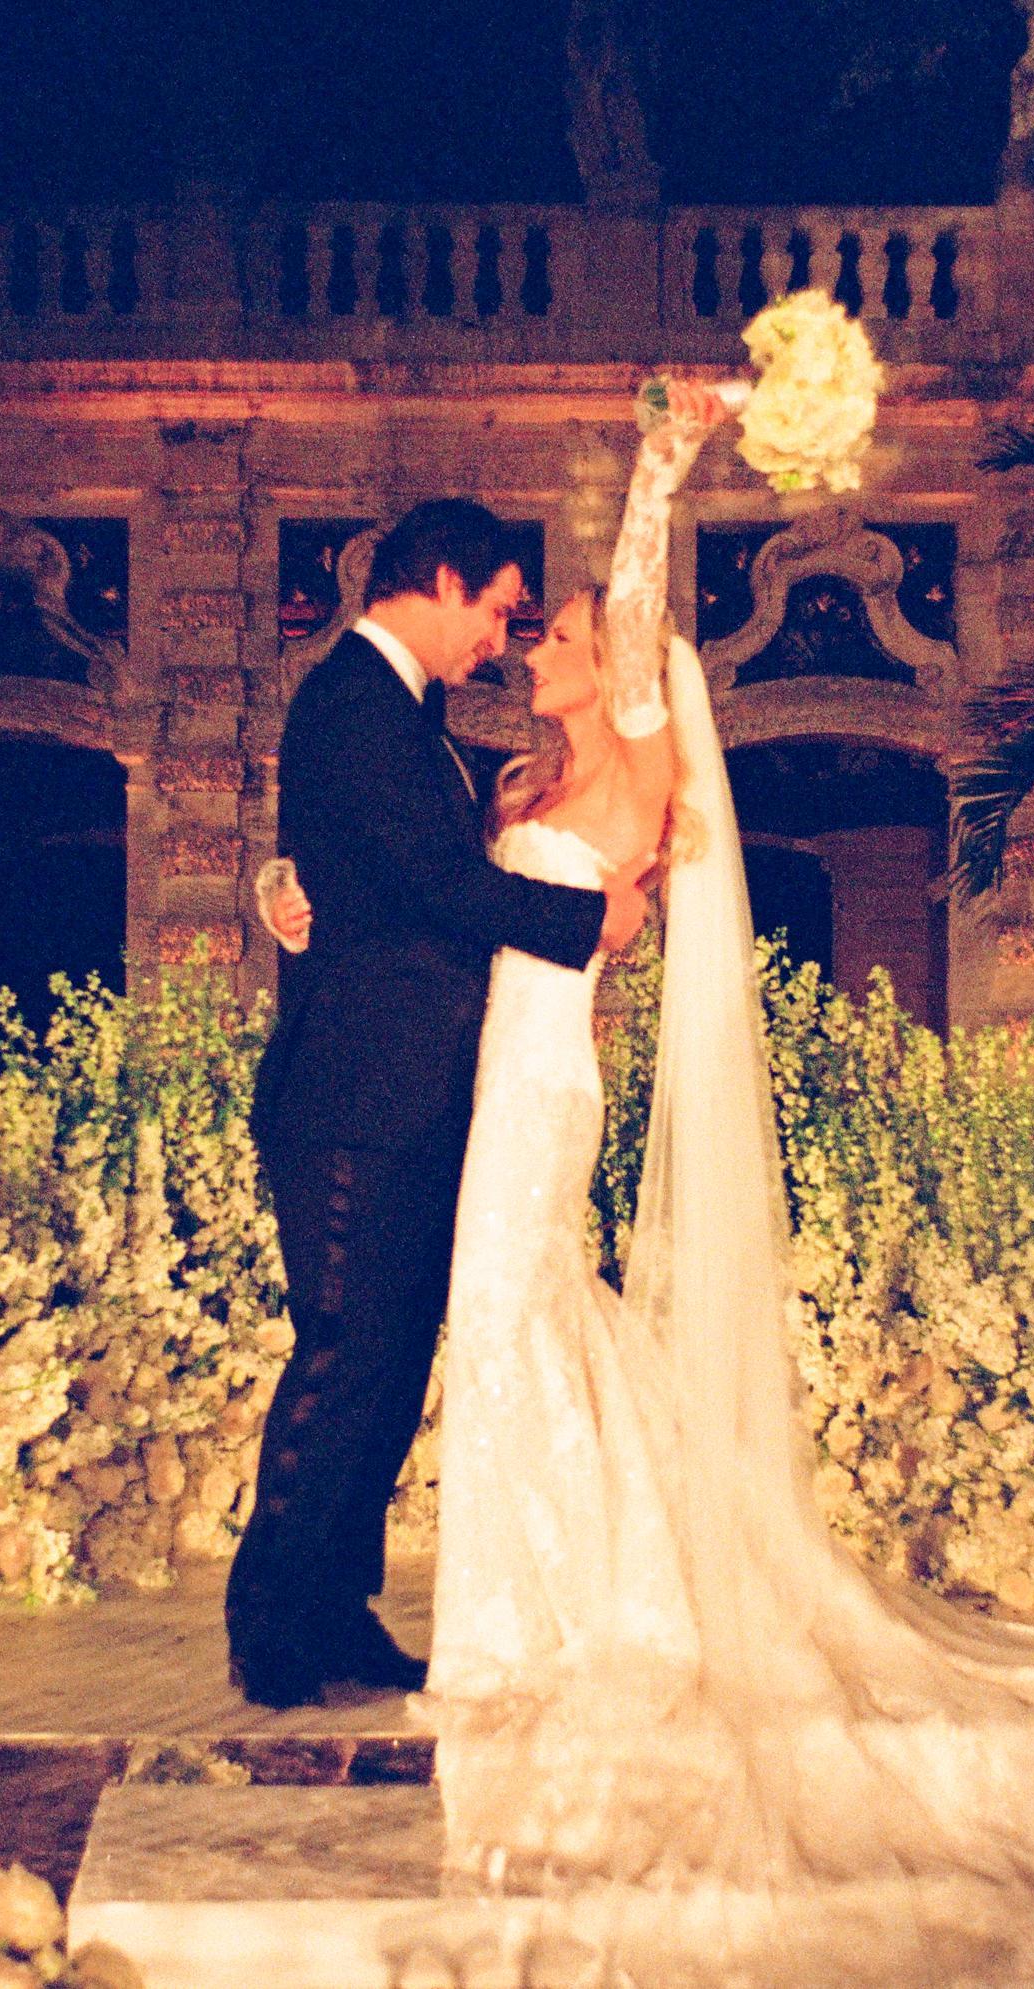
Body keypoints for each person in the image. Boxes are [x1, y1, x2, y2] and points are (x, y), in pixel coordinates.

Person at [269, 401, 1034, 1987]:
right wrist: (297, 901)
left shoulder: (629, 756)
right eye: (514, 615)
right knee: (511, 1333)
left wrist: (664, 457)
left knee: (503, 1326)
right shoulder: (507, 775)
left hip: (532, 1096)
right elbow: (407, 888)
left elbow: (629, 616)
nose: (524, 639)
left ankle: (529, 1623)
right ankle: (541, 1599)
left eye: (546, 625)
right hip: (474, 1088)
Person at [227, 499, 649, 1712]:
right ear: (448, 582)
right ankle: (269, 1621)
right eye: (501, 611)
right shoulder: (353, 701)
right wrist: (591, 921)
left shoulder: (408, 715)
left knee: (390, 1362)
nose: (503, 641)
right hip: (351, 1094)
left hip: (415, 1096)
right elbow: (436, 887)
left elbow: (361, 858)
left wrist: (286, 877)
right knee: (344, 1352)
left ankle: (333, 1608)